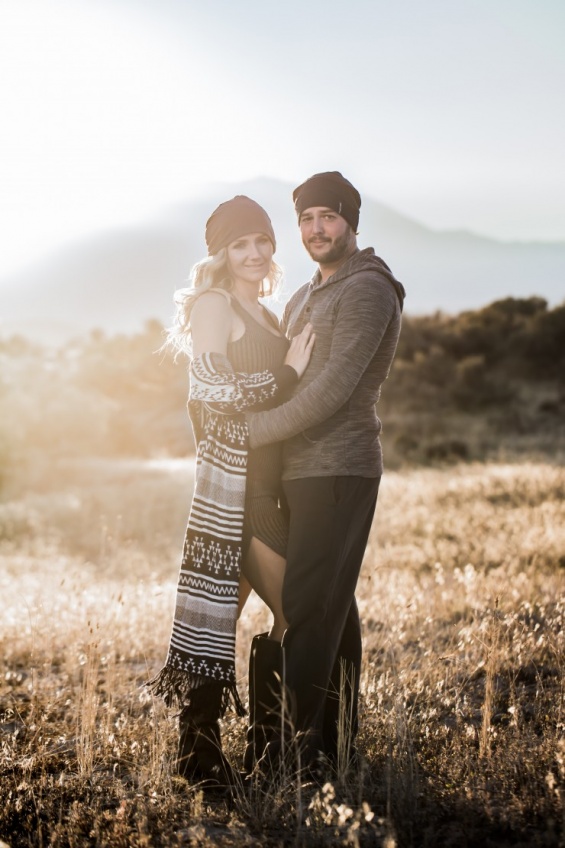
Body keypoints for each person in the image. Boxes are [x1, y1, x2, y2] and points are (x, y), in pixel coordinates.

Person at [148, 195, 314, 789]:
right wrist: (287, 374)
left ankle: (199, 756)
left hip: (272, 487)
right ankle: (272, 754)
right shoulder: (213, 304)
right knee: (295, 615)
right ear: (221, 253)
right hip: (239, 493)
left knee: (218, 626)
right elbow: (210, 388)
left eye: (262, 240)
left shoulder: (267, 315)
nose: (253, 252)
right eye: (239, 244)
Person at [245, 171, 406, 772]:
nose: (316, 229)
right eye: (306, 219)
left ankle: (294, 754)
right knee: (329, 602)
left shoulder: (367, 289)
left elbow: (333, 390)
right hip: (297, 470)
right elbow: (288, 378)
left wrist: (252, 432)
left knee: (311, 605)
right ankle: (333, 742)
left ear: (350, 222)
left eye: (328, 217)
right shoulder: (304, 296)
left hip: (338, 468)